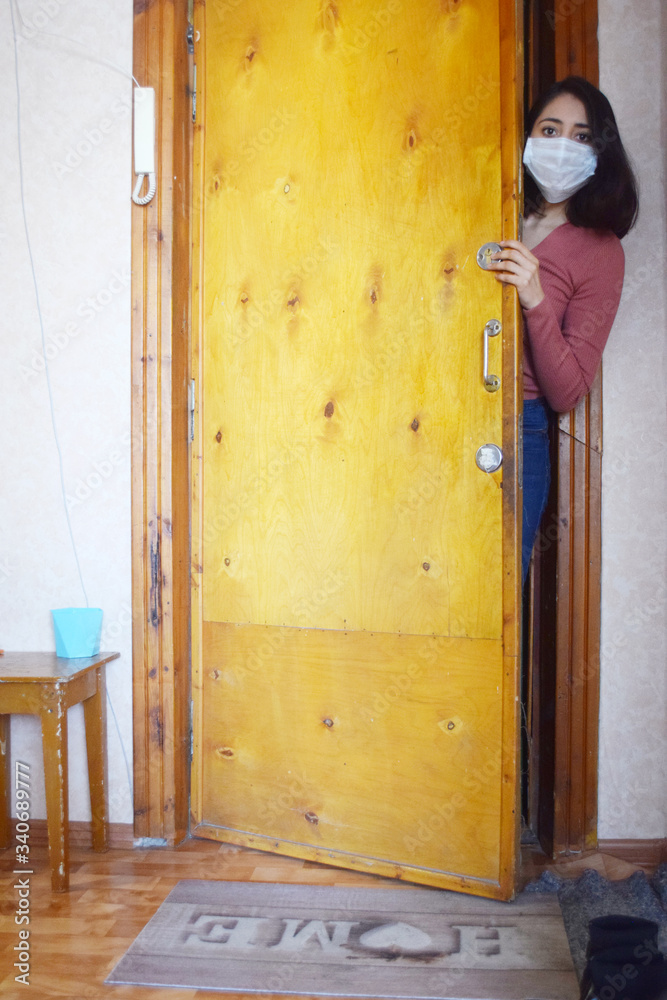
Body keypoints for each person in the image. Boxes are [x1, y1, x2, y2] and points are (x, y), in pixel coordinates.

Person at [487, 76, 639, 582]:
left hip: (518, 427)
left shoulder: (600, 251)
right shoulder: (490, 205)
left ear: (600, 153)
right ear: (527, 136)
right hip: (436, 410)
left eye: (581, 137)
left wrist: (534, 298)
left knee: (494, 595)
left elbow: (568, 391)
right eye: (550, 130)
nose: (562, 146)